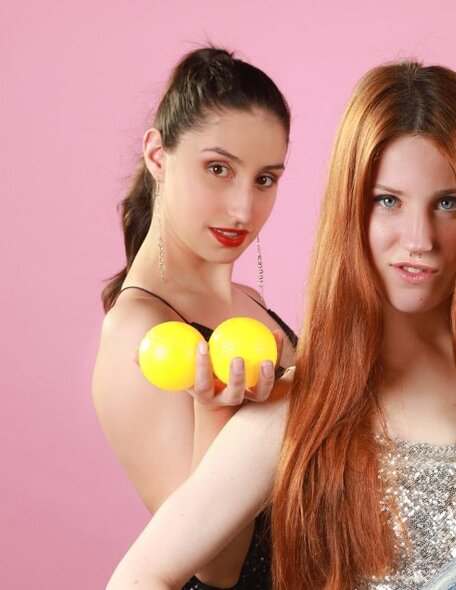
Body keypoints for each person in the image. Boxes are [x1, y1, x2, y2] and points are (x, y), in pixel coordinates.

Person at [107, 61, 456, 590]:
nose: (419, 240)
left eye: (447, 203)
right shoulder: (298, 401)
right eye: (388, 201)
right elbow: (142, 575)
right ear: (350, 209)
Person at [92, 47, 297, 589]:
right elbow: (215, 568)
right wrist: (215, 415)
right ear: (158, 156)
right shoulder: (137, 333)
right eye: (218, 169)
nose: (243, 210)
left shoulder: (249, 300)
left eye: (265, 179)